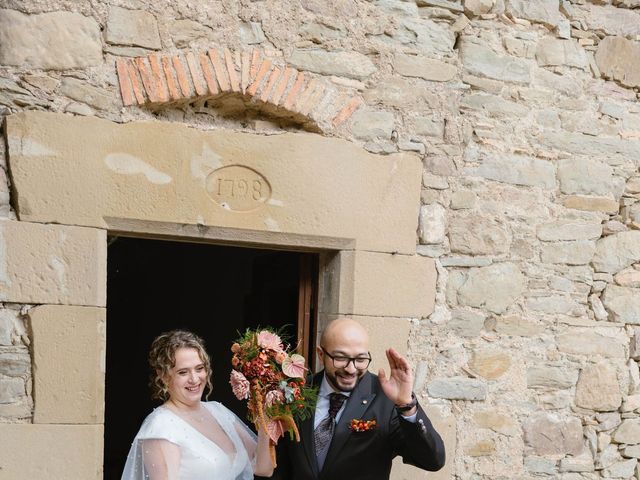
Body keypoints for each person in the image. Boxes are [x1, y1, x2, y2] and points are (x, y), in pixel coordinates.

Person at [265, 318, 445, 480]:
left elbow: (432, 461)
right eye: (341, 358)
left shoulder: (387, 399)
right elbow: (278, 464)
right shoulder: (296, 392)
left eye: (360, 359)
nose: (351, 369)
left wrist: (407, 406)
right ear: (321, 354)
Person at [122, 330, 274, 479]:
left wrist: (264, 422)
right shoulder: (160, 427)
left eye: (199, 368)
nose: (194, 379)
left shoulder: (218, 411)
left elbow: (263, 468)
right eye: (183, 372)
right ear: (163, 375)